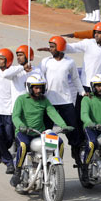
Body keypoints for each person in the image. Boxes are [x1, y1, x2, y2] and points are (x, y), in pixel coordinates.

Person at [10, 75, 72, 187]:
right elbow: (15, 116)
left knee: (60, 143)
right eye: (36, 88)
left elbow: (52, 113)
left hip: (40, 133)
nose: (39, 90)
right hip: (24, 132)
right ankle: (17, 172)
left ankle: (56, 169)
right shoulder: (21, 99)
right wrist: (21, 126)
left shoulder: (44, 100)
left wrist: (64, 125)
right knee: (24, 145)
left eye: (41, 88)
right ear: (29, 88)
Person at [39, 36, 86, 167]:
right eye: (49, 46)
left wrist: (82, 92)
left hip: (66, 101)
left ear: (60, 47)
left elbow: (76, 79)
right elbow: (39, 77)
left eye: (52, 46)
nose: (50, 49)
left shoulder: (69, 62)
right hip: (49, 102)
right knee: (46, 130)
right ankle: (46, 155)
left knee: (73, 129)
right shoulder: (45, 62)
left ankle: (76, 153)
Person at [54, 22, 101, 93]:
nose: (96, 35)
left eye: (99, 33)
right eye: (95, 32)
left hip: (99, 85)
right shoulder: (88, 43)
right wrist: (56, 48)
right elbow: (72, 47)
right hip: (84, 84)